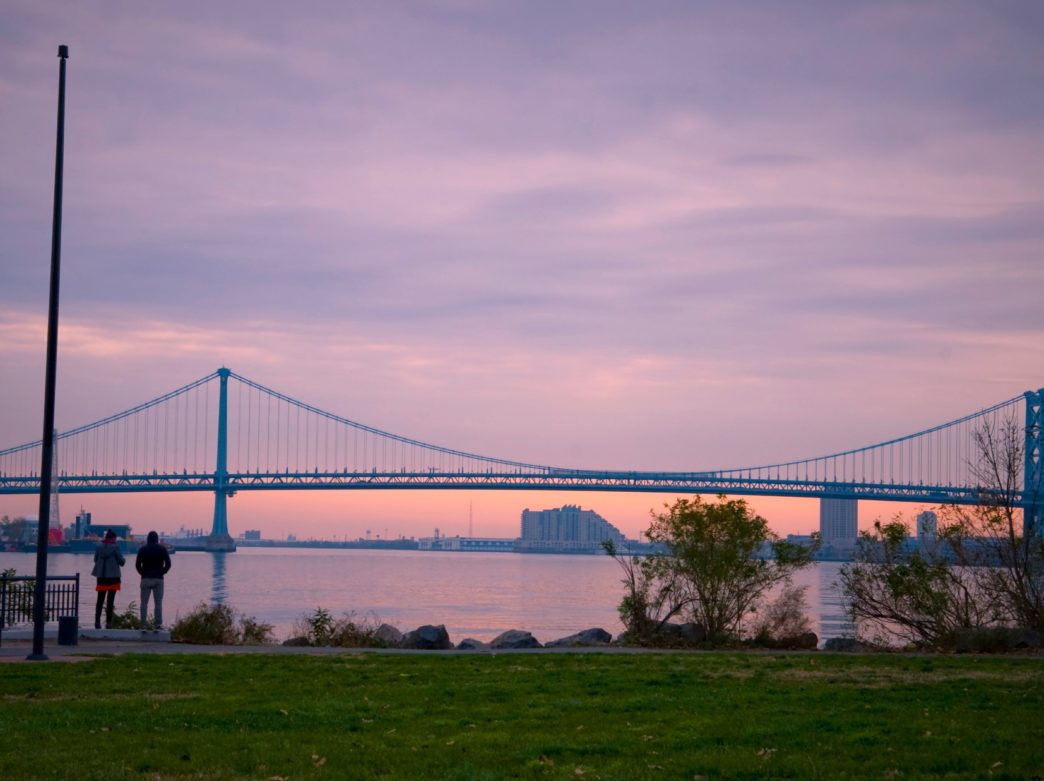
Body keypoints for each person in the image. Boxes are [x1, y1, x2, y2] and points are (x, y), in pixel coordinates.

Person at [135, 530, 172, 630]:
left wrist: (143, 573)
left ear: (148, 539)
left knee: (144, 603)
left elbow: (137, 565)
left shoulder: (142, 549)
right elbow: (168, 564)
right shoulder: (162, 549)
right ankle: (158, 625)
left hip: (146, 578)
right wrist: (162, 572)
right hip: (158, 579)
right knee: (158, 603)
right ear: (157, 539)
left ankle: (143, 625)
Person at [92, 529, 125, 629]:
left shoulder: (99, 547)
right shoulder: (116, 547)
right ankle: (108, 623)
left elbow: (95, 559)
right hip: (113, 577)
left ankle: (97, 622)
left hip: (101, 577)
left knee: (100, 600)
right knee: (110, 601)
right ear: (114, 539)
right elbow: (121, 562)